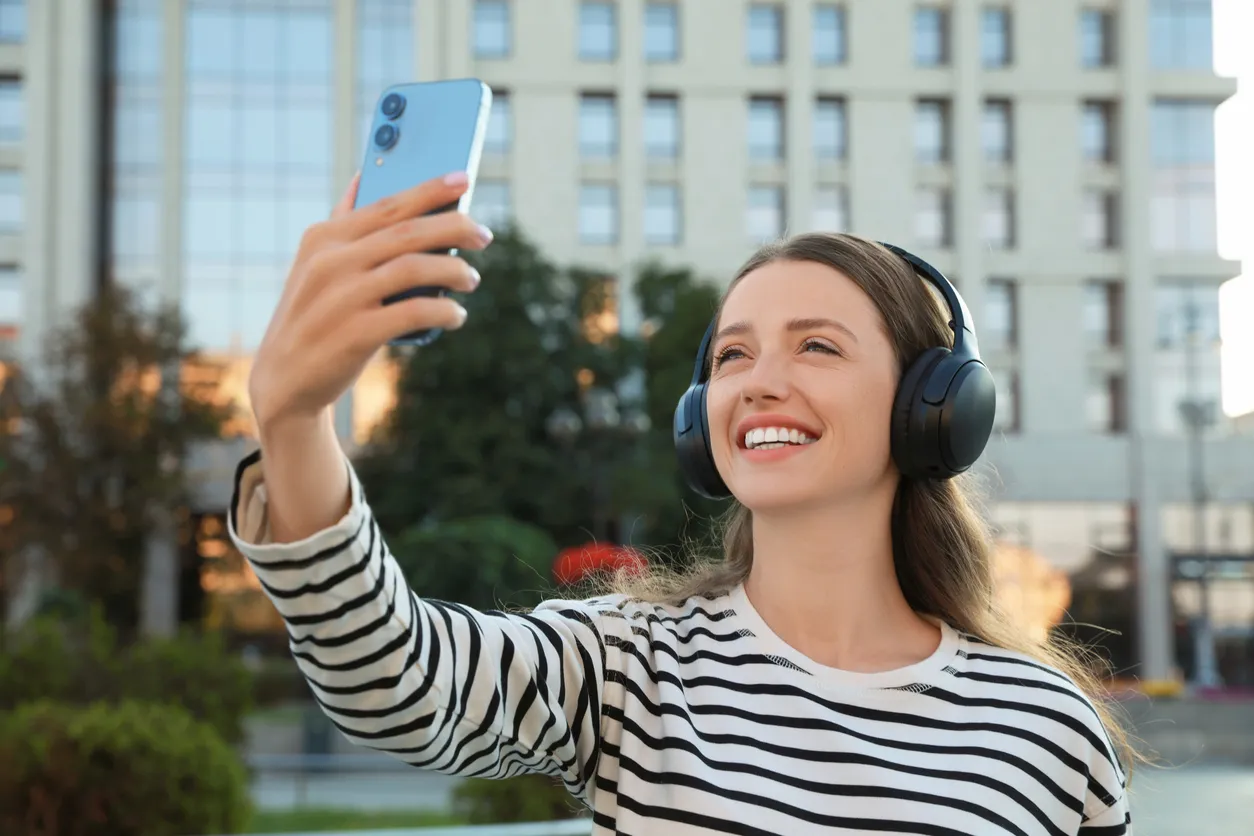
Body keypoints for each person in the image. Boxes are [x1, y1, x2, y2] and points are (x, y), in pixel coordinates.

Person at [233, 170, 1134, 834]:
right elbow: (391, 680)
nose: (758, 382)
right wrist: (296, 422)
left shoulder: (1047, 726)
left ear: (932, 406)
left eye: (816, 346)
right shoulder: (627, 665)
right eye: (733, 355)